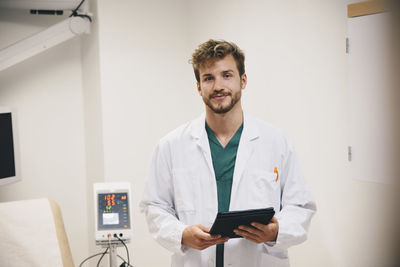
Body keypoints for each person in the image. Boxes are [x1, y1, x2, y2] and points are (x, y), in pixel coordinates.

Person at [140, 39, 316, 267]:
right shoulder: (171, 145)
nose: (218, 86)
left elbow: (300, 206)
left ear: (243, 80)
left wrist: (275, 232)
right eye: (208, 78)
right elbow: (155, 206)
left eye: (227, 75)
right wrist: (181, 234)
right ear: (198, 86)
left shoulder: (277, 142)